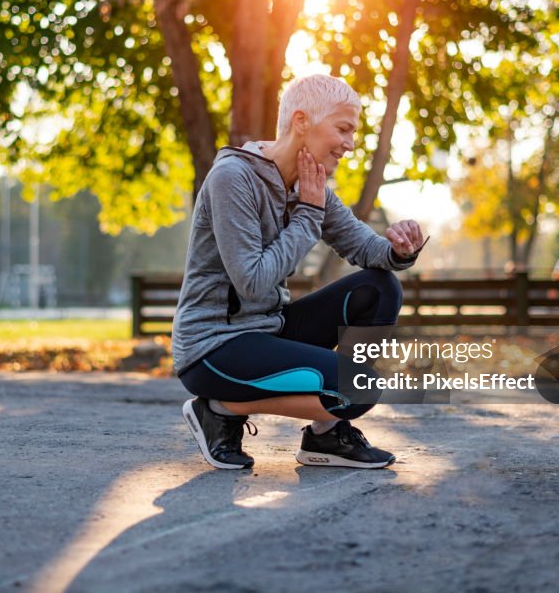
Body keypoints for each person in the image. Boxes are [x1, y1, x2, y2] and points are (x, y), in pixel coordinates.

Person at [172, 74, 428, 470]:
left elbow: (363, 246)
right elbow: (253, 283)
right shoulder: (232, 178)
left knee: (380, 288)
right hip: (213, 347)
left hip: (267, 331)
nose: (350, 143)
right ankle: (219, 409)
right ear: (302, 121)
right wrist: (308, 214)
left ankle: (326, 436)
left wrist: (399, 249)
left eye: (353, 132)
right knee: (358, 390)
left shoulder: (310, 187)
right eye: (343, 129)